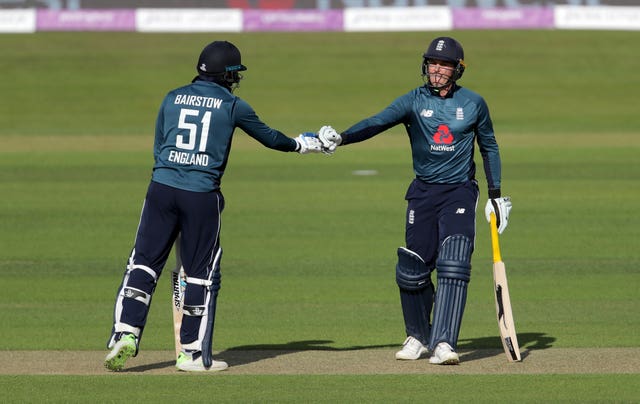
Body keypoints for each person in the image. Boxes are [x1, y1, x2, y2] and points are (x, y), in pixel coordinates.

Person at [104, 40, 325, 372]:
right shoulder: (233, 105)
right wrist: (302, 145)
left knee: (144, 263)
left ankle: (125, 333)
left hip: (161, 188)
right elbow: (270, 138)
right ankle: (190, 354)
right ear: (228, 75)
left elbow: (159, 144)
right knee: (198, 275)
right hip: (200, 195)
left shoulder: (172, 96)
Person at [318, 37, 512, 365]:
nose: (436, 69)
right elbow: (377, 122)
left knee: (454, 260)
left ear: (457, 69)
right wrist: (344, 137)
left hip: (459, 191)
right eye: (432, 63)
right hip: (423, 192)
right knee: (412, 268)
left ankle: (445, 343)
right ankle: (418, 336)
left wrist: (495, 196)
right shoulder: (413, 100)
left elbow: (489, 147)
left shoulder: (474, 103)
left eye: (444, 64)